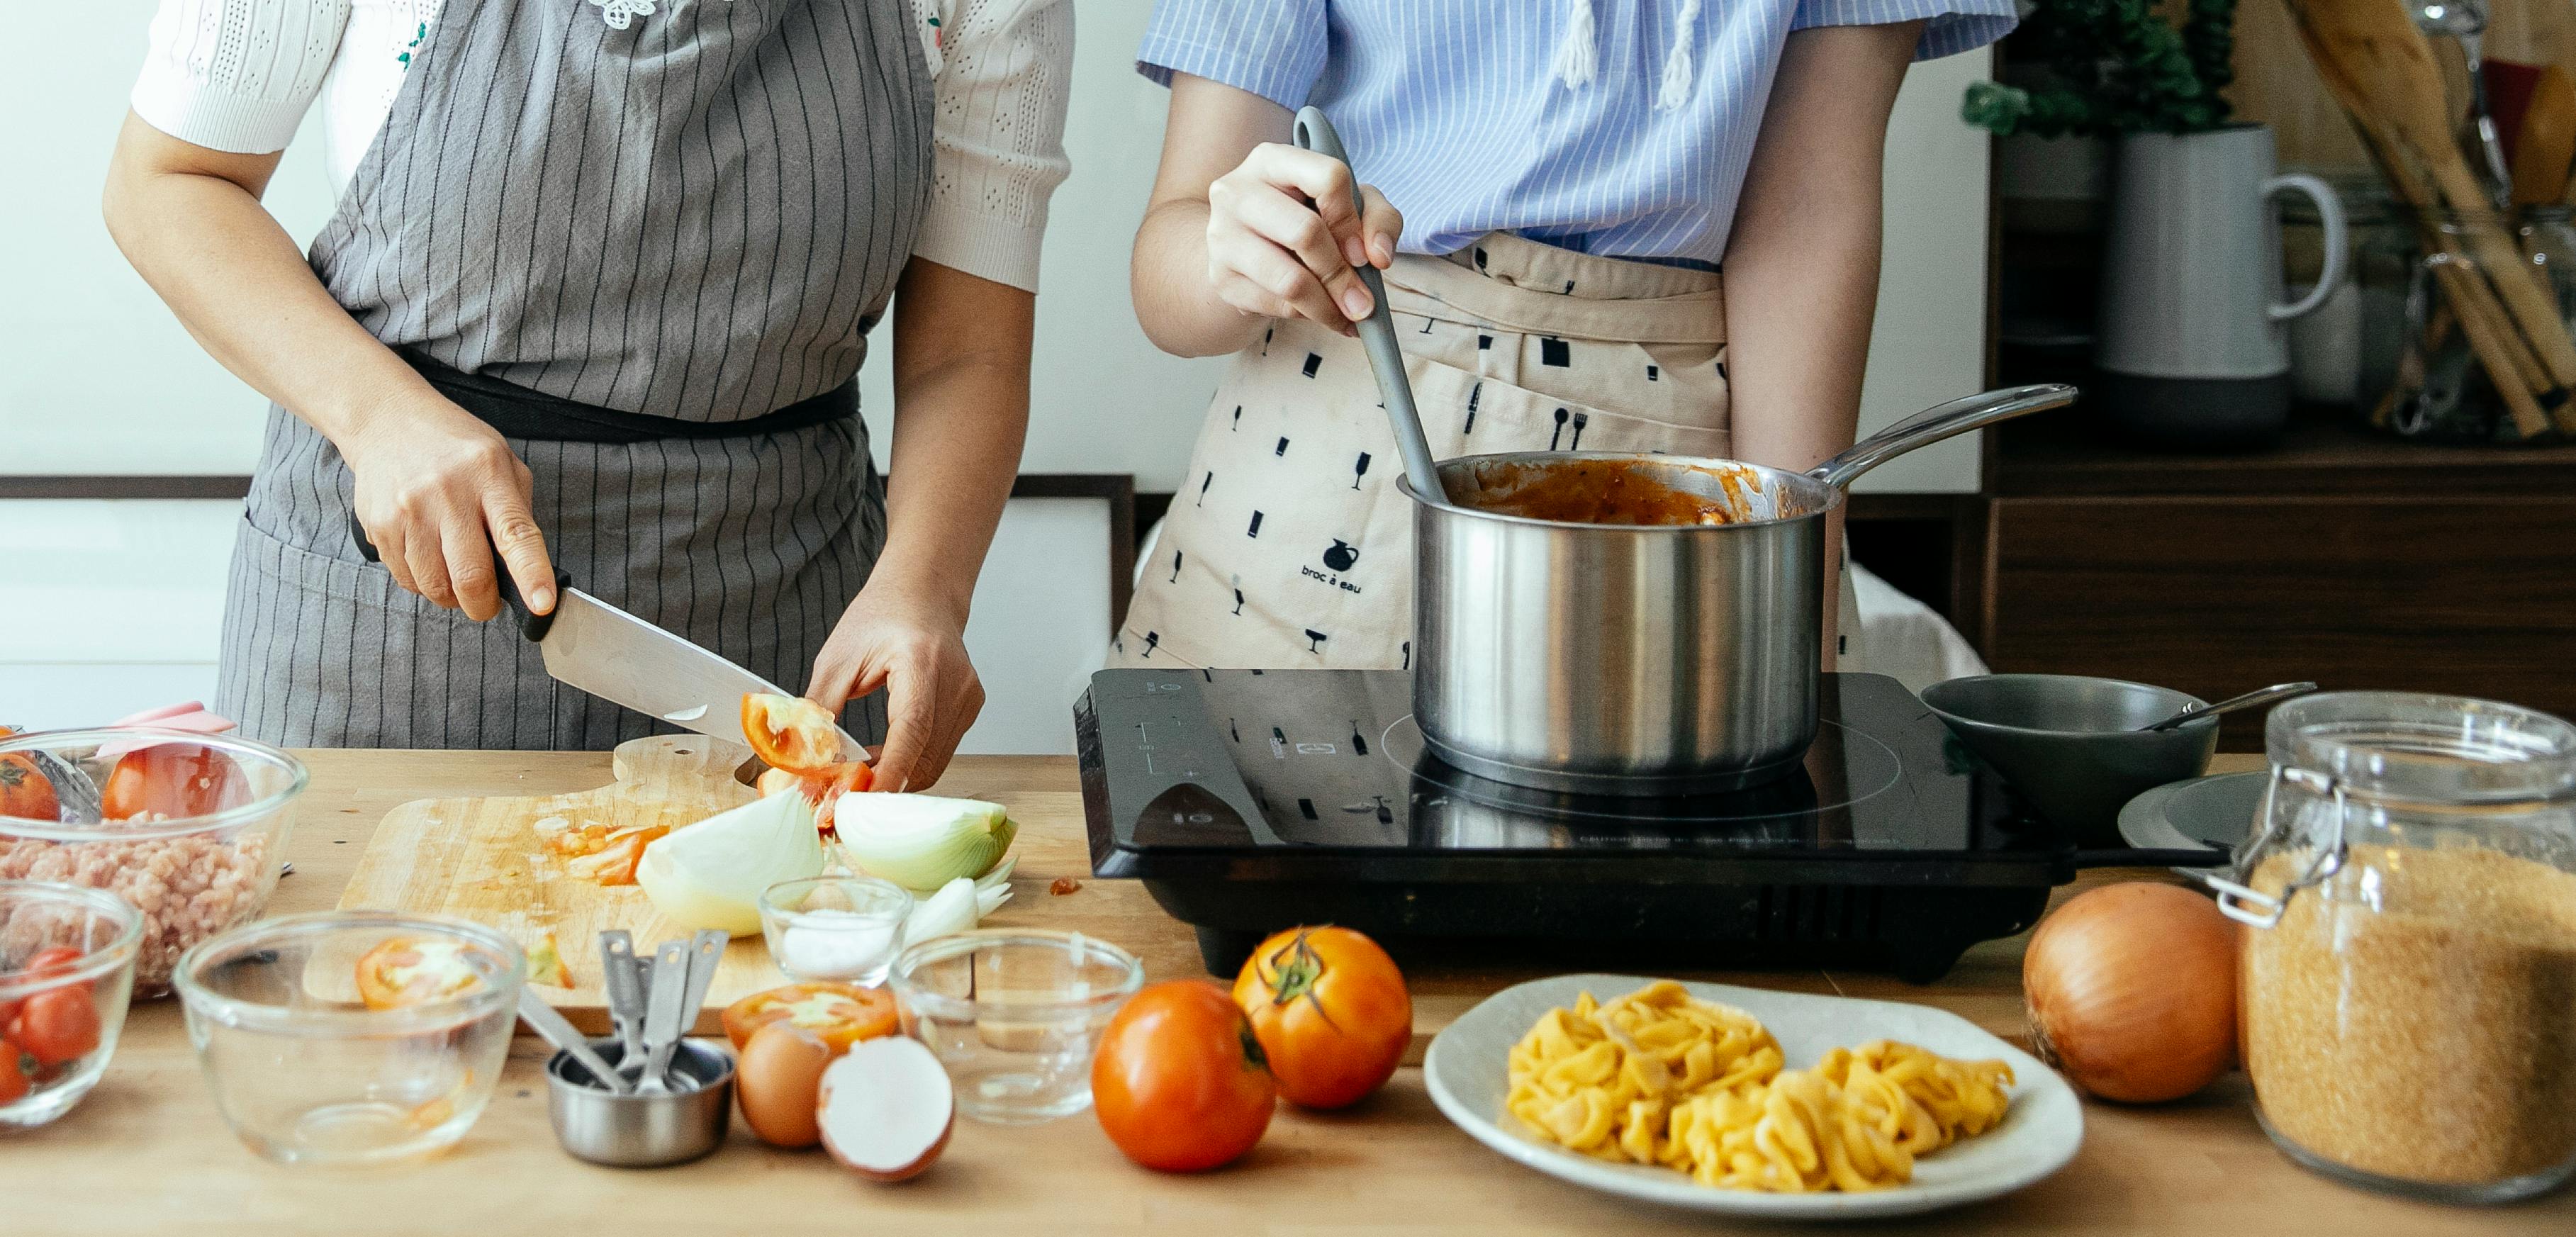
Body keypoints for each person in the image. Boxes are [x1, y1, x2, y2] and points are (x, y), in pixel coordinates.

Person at [104, 0, 1074, 788]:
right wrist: (379, 416)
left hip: (787, 631)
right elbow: (169, 183)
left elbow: (968, 353)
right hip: (385, 616)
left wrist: (926, 588)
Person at [1116, 0, 2012, 672]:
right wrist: (1238, 251)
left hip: (1676, 457)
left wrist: (1790, 590)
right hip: (1319, 459)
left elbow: (1807, 221)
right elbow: (1168, 273)